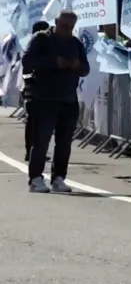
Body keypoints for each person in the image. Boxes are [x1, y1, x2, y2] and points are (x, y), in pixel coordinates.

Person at [23, 11, 88, 193]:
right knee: (41, 141)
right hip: (44, 98)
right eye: (64, 26)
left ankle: (58, 178)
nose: (67, 30)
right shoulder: (41, 39)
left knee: (64, 142)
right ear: (56, 22)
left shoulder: (75, 43)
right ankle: (35, 178)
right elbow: (27, 60)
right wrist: (54, 62)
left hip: (68, 99)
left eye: (70, 27)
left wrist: (76, 66)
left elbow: (86, 68)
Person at [21, 20, 51, 163]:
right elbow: (27, 67)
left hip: (36, 88)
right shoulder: (34, 46)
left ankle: (34, 151)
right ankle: (31, 151)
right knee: (34, 121)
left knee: (35, 121)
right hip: (33, 87)